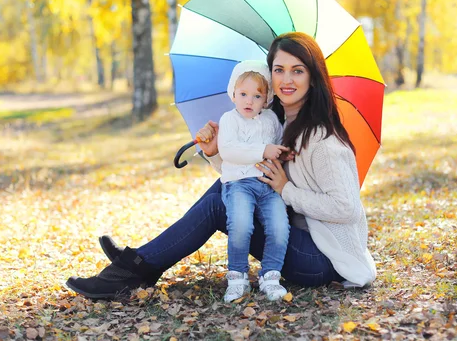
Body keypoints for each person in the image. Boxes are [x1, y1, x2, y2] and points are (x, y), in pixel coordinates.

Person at [65, 32, 377, 300]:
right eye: (279, 70)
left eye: (298, 71)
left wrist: (286, 190)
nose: (286, 79)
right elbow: (244, 175)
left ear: (313, 77)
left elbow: (346, 208)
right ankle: (138, 261)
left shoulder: (322, 139)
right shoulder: (277, 124)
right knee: (228, 188)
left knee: (222, 201)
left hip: (323, 258)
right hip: (302, 238)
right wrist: (215, 151)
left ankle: (135, 267)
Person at [217, 60, 290, 302]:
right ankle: (237, 277)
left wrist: (283, 152)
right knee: (240, 225)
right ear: (233, 94)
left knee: (279, 227)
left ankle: (270, 276)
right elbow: (228, 151)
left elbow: (277, 144)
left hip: (268, 186)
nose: (249, 101)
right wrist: (262, 150)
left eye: (257, 96)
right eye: (243, 94)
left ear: (267, 98)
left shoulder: (270, 120)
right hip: (239, 185)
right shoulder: (229, 119)